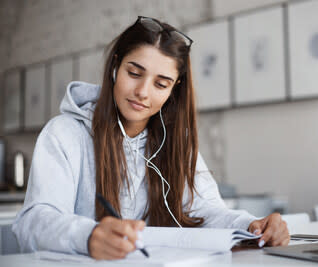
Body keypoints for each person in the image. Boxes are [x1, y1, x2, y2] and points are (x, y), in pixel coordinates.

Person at [12, 16, 289, 260]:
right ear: (115, 68)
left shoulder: (175, 141)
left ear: (173, 90)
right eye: (134, 73)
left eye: (160, 84)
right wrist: (88, 236)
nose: (143, 91)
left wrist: (252, 225)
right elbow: (34, 222)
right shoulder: (64, 133)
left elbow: (206, 211)